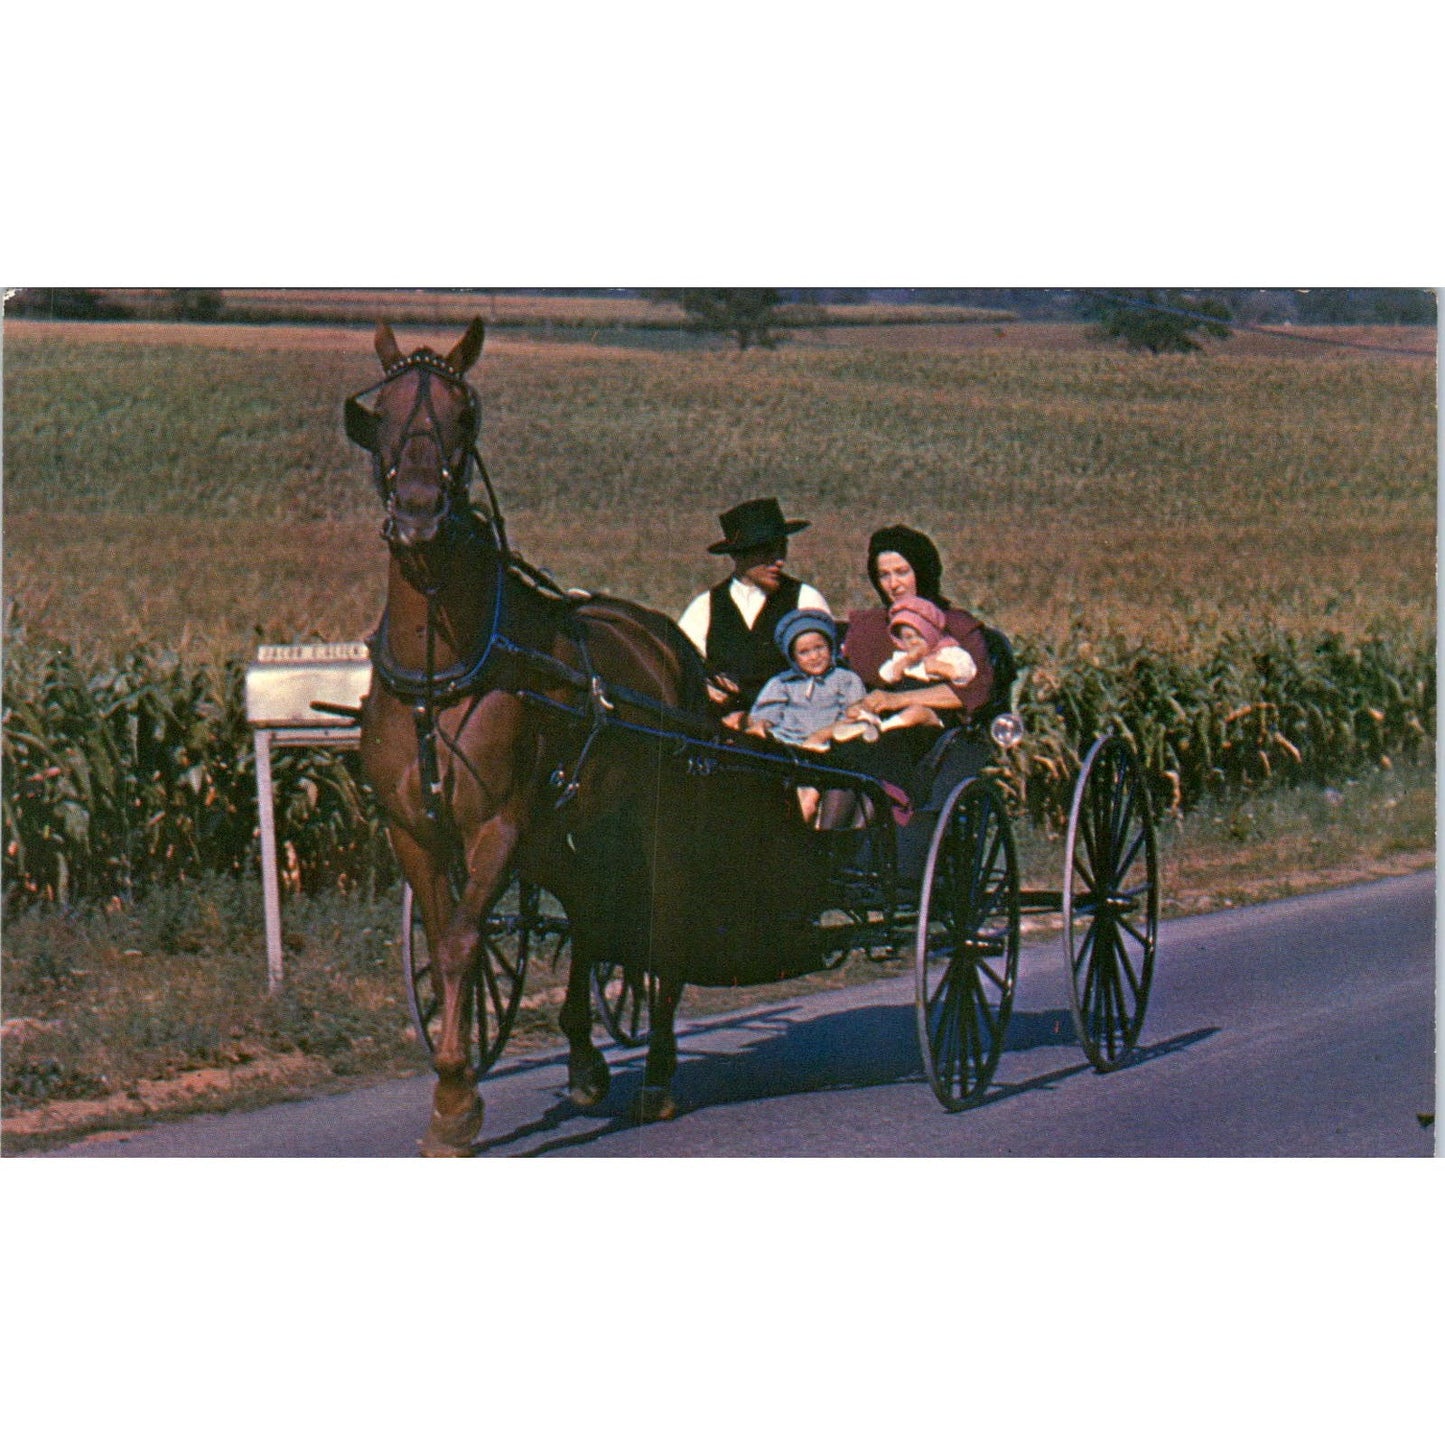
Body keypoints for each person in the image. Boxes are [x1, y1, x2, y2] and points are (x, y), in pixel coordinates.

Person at [823, 524, 995, 827]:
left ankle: (882, 829)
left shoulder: (956, 626)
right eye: (884, 575)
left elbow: (969, 693)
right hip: (871, 725)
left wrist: (896, 699)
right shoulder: (869, 629)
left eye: (902, 572)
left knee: (871, 751)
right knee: (840, 755)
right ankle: (831, 845)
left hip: (929, 737)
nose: (893, 584)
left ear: (922, 570)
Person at [678, 497, 831, 725]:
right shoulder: (704, 607)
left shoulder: (805, 600)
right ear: (738, 555)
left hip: (790, 731)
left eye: (782, 549)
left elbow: (827, 675)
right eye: (767, 552)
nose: (779, 561)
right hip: (722, 734)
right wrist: (704, 686)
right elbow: (680, 670)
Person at [746, 609, 866, 823]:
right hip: (787, 746)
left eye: (819, 648)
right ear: (793, 657)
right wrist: (761, 724)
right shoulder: (783, 683)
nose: (814, 656)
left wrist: (828, 732)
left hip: (824, 750)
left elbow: (854, 715)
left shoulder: (844, 679)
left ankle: (809, 802)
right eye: (804, 652)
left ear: (830, 646)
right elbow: (767, 712)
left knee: (806, 803)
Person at [839, 596, 979, 740]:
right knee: (862, 708)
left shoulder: (948, 653)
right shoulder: (902, 657)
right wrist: (903, 664)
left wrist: (943, 668)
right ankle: (863, 724)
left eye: (919, 636)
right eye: (907, 638)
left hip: (933, 712)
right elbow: (886, 674)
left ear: (931, 634)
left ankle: (881, 729)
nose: (913, 642)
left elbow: (967, 672)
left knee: (915, 713)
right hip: (898, 708)